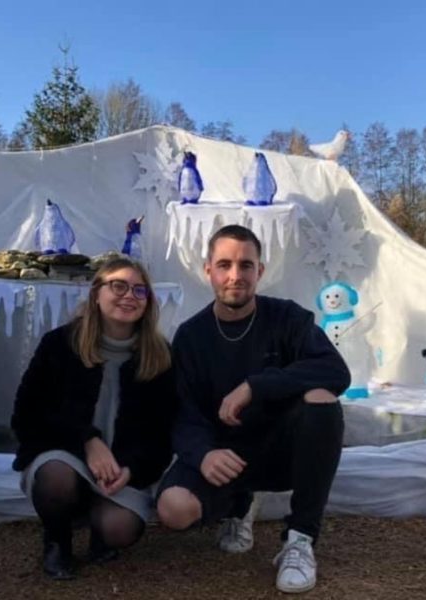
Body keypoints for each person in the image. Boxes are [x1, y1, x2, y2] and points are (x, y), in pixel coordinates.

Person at [156, 225, 350, 594]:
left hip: (280, 452)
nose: (235, 276)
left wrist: (256, 385)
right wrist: (203, 454)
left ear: (260, 271)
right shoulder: (191, 336)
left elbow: (336, 371)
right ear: (207, 270)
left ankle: (300, 539)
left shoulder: (289, 318)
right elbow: (182, 411)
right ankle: (238, 504)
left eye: (246, 265)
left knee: (322, 399)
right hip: (224, 455)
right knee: (173, 509)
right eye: (224, 264)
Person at [11, 256, 175, 580]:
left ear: (148, 303)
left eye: (139, 291)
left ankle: (98, 524)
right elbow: (27, 414)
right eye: (118, 286)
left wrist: (131, 469)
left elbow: (162, 434)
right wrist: (87, 440)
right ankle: (58, 539)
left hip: (122, 469)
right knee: (57, 478)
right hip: (65, 454)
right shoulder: (59, 344)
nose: (129, 296)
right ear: (96, 293)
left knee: (119, 530)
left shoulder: (159, 356)